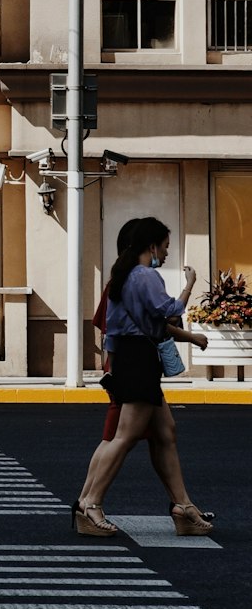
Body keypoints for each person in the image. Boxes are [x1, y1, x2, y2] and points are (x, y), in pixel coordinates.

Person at [74, 216, 213, 537]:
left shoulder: (122, 278)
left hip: (129, 359)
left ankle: (183, 507)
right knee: (124, 436)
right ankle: (89, 503)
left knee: (165, 432)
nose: (166, 254)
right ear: (151, 246)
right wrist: (190, 284)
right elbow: (170, 312)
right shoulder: (145, 276)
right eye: (164, 247)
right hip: (139, 361)